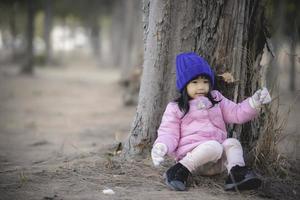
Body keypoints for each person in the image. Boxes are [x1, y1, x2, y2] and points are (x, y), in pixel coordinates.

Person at [151, 52, 272, 191]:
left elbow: (237, 113)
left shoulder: (216, 99)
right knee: (214, 146)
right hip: (194, 160)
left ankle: (236, 174)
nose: (201, 87)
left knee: (232, 143)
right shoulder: (176, 107)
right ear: (185, 85)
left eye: (205, 81)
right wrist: (161, 146)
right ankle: (178, 171)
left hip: (216, 160)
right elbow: (169, 132)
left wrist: (254, 102)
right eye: (195, 82)